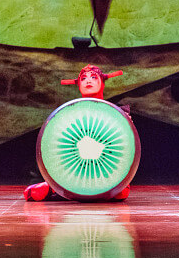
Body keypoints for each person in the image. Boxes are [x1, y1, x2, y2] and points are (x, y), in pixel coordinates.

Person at [24, 66, 128, 202]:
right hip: (78, 167)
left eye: (93, 77)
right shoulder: (71, 115)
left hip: (107, 167)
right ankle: (61, 188)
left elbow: (122, 148)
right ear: (79, 85)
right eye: (83, 79)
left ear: (102, 83)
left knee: (122, 192)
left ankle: (59, 190)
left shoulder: (117, 114)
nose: (88, 81)